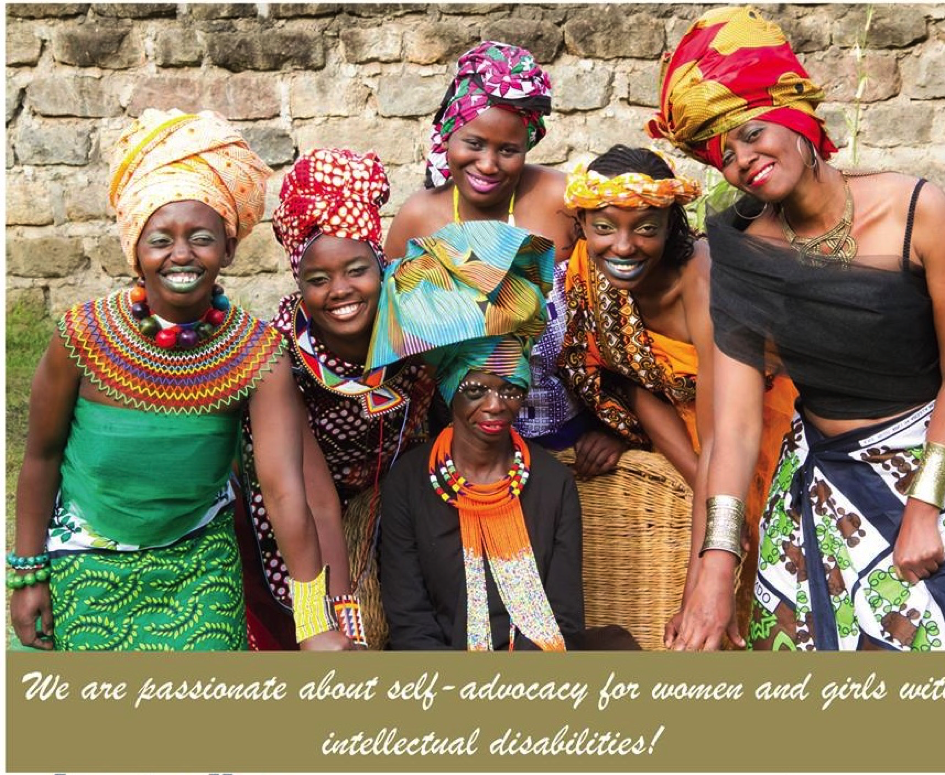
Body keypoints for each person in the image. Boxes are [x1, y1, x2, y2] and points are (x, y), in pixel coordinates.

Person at [648, 5, 945, 650]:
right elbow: (735, 430)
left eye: (751, 132)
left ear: (796, 115)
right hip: (821, 487)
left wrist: (924, 505)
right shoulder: (743, 252)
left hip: (939, 462)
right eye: (723, 152)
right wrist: (714, 573)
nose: (743, 159)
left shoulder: (915, 211)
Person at [8, 109, 352, 651]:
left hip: (200, 565)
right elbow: (41, 458)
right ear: (134, 249)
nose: (182, 254)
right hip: (84, 564)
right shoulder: (81, 337)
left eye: (201, 237)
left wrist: (314, 620)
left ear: (230, 248)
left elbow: (285, 489)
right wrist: (28, 574)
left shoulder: (256, 353)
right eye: (160, 239)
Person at [559, 144, 797, 639]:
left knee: (759, 572)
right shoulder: (587, 270)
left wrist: (697, 592)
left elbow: (723, 437)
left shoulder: (703, 278)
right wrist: (694, 478)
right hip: (688, 434)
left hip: (760, 423)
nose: (623, 247)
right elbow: (631, 377)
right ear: (582, 224)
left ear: (673, 226)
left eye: (646, 228)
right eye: (604, 227)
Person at [384, 40, 625, 477]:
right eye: (473, 143)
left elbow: (627, 310)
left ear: (529, 143)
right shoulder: (418, 219)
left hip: (574, 439)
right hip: (462, 447)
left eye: (508, 150)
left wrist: (620, 428)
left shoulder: (563, 200)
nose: (488, 164)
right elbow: (397, 348)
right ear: (448, 135)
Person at [236, 148, 435, 650]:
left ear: (382, 265)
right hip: (299, 501)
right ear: (298, 285)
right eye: (318, 280)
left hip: (395, 486)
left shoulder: (417, 327)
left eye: (356, 270)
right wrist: (344, 618)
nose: (340, 291)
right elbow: (314, 497)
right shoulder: (283, 356)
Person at [373, 220, 586, 650]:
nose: (495, 405)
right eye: (475, 390)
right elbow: (410, 623)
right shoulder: (409, 484)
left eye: (510, 388)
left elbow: (564, 617)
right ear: (449, 390)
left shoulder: (552, 484)